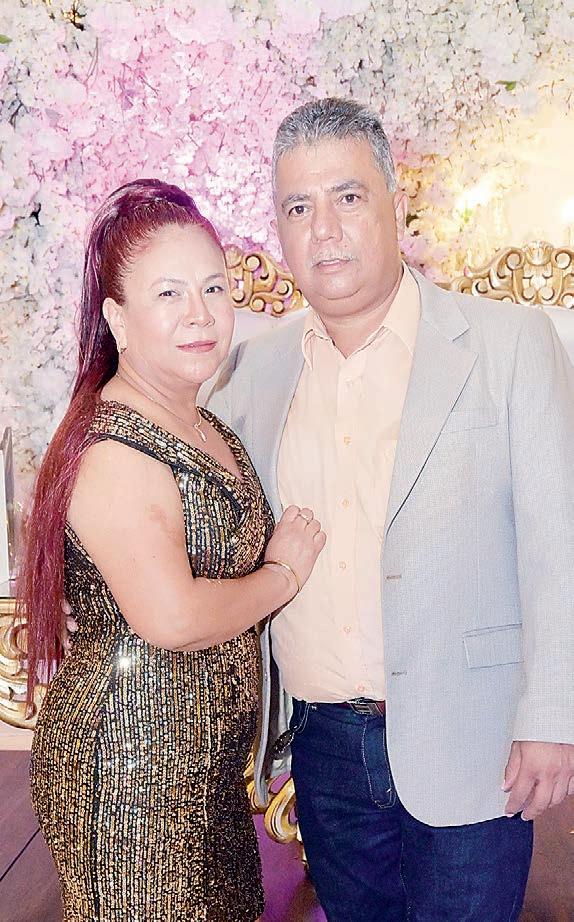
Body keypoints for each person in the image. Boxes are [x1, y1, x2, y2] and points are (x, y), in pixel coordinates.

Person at [203, 97, 574, 921]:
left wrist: (553, 715)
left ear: (396, 203)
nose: (324, 230)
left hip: (471, 737)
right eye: (299, 207)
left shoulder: (509, 345)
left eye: (348, 196)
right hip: (324, 751)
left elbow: (560, 546)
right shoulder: (250, 373)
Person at [20, 178, 325, 921]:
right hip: (130, 771)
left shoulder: (202, 423)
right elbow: (173, 617)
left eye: (214, 287)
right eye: (169, 294)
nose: (200, 313)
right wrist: (284, 573)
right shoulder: (113, 447)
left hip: (201, 768)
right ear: (117, 320)